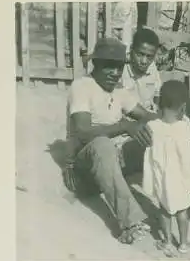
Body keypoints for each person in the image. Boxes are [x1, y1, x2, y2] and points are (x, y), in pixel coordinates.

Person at [63, 37, 159, 245]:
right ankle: (131, 223)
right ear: (95, 64)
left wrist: (177, 120)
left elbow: (145, 115)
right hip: (86, 169)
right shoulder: (82, 86)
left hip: (112, 165)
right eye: (108, 67)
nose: (114, 73)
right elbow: (82, 132)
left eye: (118, 67)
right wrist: (124, 126)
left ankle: (174, 207)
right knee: (102, 144)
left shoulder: (119, 91)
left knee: (154, 134)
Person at [142, 80, 190, 257]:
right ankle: (183, 243)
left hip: (162, 178)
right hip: (181, 179)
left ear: (159, 104)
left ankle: (167, 242)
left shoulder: (152, 127)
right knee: (182, 211)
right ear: (183, 108)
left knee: (164, 210)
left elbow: (147, 151)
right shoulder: (186, 127)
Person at [121, 28, 163, 113]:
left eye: (149, 56)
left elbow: (157, 93)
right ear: (132, 49)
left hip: (147, 117)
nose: (144, 61)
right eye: (140, 54)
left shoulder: (152, 67)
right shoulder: (120, 68)